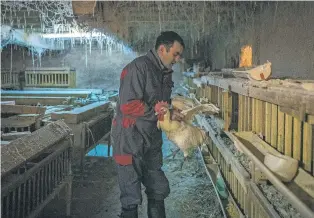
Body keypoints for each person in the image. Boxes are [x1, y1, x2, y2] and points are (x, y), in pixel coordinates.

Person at [111, 31, 185, 218]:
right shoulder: (137, 68)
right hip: (130, 136)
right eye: (176, 53)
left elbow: (161, 104)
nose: (178, 58)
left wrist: (170, 112)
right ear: (162, 49)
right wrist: (157, 112)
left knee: (158, 187)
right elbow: (128, 105)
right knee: (131, 193)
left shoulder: (165, 72)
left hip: (151, 137)